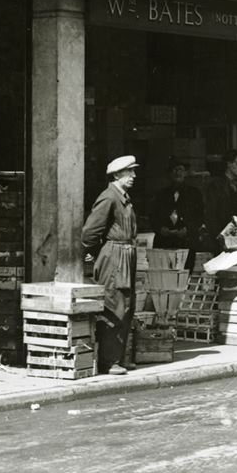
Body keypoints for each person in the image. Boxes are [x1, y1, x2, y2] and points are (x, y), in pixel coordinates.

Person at [82, 155, 139, 375]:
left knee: (125, 305)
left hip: (125, 255)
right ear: (116, 175)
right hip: (115, 257)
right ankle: (109, 361)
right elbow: (89, 233)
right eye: (129, 172)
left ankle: (118, 357)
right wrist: (101, 255)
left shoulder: (123, 197)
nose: (133, 176)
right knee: (114, 305)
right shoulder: (109, 198)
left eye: (133, 171)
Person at [151, 158, 204, 252]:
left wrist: (188, 229)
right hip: (164, 242)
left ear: (185, 173)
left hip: (187, 242)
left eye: (180, 170)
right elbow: (153, 216)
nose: (177, 173)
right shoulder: (161, 194)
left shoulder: (194, 193)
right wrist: (160, 229)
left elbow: (200, 216)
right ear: (170, 173)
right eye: (174, 170)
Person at [204, 150, 237, 250]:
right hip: (220, 235)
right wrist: (218, 235)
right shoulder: (216, 185)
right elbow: (211, 212)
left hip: (234, 235)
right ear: (229, 164)